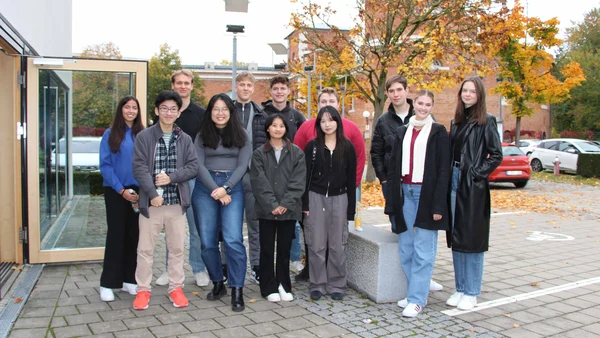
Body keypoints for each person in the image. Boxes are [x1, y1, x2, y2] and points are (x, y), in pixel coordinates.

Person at [371, 75, 443, 292]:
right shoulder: (384, 121)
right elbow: (376, 152)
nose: (395, 94)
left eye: (399, 89)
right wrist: (384, 180)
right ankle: (406, 279)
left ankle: (422, 280)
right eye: (391, 91)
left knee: (423, 237)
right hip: (396, 185)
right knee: (402, 233)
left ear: (406, 90)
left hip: (421, 185)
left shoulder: (423, 114)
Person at [384, 90, 450, 317]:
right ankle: (416, 289)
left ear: (432, 107)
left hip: (426, 194)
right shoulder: (403, 131)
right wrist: (391, 200)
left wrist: (439, 205)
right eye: (420, 103)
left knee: (423, 249)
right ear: (414, 105)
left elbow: (443, 171)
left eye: (427, 104)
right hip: (405, 192)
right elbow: (393, 166)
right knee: (406, 247)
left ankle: (417, 299)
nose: (422, 108)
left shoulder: (439, 132)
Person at [132, 90, 199, 310]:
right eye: (164, 108)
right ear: (156, 110)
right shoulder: (144, 136)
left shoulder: (185, 139)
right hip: (152, 204)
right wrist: (152, 194)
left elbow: (192, 167)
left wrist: (171, 177)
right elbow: (139, 167)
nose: (168, 113)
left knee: (177, 248)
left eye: (173, 109)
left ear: (179, 112)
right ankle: (143, 290)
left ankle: (175, 288)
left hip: (176, 203)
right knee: (145, 249)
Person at [293, 87, 366, 282]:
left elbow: (359, 159)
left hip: (340, 192)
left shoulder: (351, 129)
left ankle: (334, 278)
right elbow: (298, 159)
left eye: (331, 101)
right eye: (323, 101)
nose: (327, 104)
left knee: (337, 238)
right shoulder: (306, 128)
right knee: (313, 235)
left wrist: (350, 186)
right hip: (314, 193)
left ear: (338, 104)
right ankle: (314, 273)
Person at [446, 76, 502, 311]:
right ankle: (460, 288)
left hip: (472, 185)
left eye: (472, 91)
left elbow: (496, 154)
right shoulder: (456, 122)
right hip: (453, 181)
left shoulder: (486, 121)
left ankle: (472, 291)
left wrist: (475, 174)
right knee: (457, 237)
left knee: (473, 239)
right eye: (464, 90)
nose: (467, 94)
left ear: (479, 95)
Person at [192, 93, 251, 312]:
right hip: (204, 187)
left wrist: (225, 188)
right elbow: (197, 165)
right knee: (207, 241)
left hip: (232, 187)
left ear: (231, 112)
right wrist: (215, 189)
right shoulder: (201, 135)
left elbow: (243, 165)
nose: (220, 113)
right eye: (216, 109)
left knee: (233, 239)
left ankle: (237, 288)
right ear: (210, 112)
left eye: (224, 109)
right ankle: (218, 283)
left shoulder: (242, 134)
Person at [154, 69, 209, 288]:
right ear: (173, 85)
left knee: (196, 228)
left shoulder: (201, 114)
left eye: (187, 83)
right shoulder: (165, 113)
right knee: (172, 227)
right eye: (179, 83)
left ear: (192, 86)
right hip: (169, 180)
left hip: (194, 178)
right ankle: (171, 270)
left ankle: (198, 268)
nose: (183, 86)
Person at [302, 106, 356, 301]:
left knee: (337, 245)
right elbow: (305, 177)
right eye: (323, 121)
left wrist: (351, 211)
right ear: (318, 124)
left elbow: (351, 180)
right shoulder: (312, 147)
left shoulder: (347, 147)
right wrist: (305, 204)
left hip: (340, 198)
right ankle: (317, 284)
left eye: (331, 120)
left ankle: (336, 284)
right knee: (316, 243)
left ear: (337, 122)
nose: (327, 124)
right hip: (315, 197)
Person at [250, 114, 306, 302]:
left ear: (285, 129)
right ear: (268, 128)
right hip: (267, 210)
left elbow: (298, 182)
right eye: (274, 125)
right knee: (266, 248)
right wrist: (272, 205)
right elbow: (259, 181)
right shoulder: (259, 153)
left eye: (281, 126)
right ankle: (268, 286)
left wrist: (284, 204)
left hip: (288, 210)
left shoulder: (296, 152)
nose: (277, 129)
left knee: (284, 249)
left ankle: (283, 283)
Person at [98, 96, 144, 302]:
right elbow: (105, 166)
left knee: (133, 236)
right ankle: (108, 283)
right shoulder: (110, 134)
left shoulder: (142, 134)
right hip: (116, 192)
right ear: (121, 110)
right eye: (127, 107)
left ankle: (129, 280)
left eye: (134, 108)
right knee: (116, 236)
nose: (131, 111)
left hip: (138, 192)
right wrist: (120, 189)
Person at [234, 71, 268, 284]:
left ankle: (257, 265)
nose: (245, 88)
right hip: (231, 177)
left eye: (249, 85)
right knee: (230, 227)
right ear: (236, 87)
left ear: (253, 89)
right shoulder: (226, 111)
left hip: (253, 177)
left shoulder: (261, 115)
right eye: (242, 84)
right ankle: (230, 266)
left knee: (255, 226)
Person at [262, 75, 306, 141]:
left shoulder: (298, 117)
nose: (279, 92)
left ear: (288, 91)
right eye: (275, 89)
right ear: (270, 91)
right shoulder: (261, 115)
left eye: (283, 88)